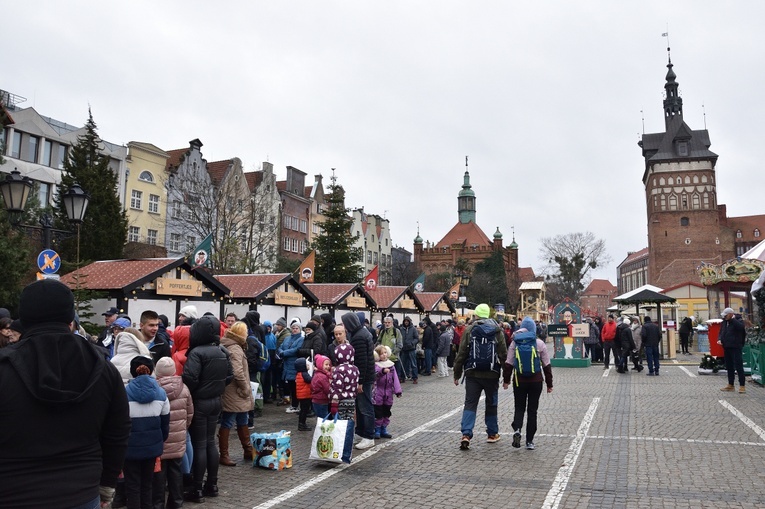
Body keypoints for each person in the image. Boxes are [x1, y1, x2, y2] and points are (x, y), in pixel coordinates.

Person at [0, 279, 131, 509]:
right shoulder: (102, 366)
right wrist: (107, 484)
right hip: (81, 491)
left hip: (13, 491)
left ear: (24, 319)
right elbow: (118, 432)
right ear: (70, 318)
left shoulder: (5, 367)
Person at [182, 315, 233, 503]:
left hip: (200, 402)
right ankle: (212, 485)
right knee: (210, 443)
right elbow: (230, 376)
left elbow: (190, 378)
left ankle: (196, 488)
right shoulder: (222, 351)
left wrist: (197, 390)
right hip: (216, 401)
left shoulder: (196, 353)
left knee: (200, 444)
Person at [453, 303, 507, 450]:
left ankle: (466, 434)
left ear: (476, 315)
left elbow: (462, 353)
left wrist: (457, 373)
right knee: (491, 404)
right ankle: (492, 434)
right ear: (489, 314)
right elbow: (503, 354)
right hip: (492, 374)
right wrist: (507, 377)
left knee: (470, 404)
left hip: (472, 373)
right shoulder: (497, 331)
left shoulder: (470, 329)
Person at [123, 356, 170, 509]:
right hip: (152, 446)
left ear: (132, 371)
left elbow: (118, 423)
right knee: (148, 484)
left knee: (132, 486)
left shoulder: (123, 393)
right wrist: (158, 441)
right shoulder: (161, 393)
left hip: (130, 447)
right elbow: (165, 424)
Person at [503, 317, 553, 450]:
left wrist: (506, 381)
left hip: (519, 381)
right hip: (536, 381)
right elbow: (547, 365)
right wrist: (549, 384)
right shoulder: (539, 343)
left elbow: (508, 363)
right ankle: (529, 441)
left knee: (519, 407)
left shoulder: (515, 343)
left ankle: (517, 429)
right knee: (532, 410)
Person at [154, 356, 194, 509]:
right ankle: (176, 502)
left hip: (160, 440)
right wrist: (183, 429)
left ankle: (158, 504)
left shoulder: (154, 389)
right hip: (178, 439)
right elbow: (190, 413)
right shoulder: (184, 388)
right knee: (176, 471)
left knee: (159, 473)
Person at [218, 321, 254, 466]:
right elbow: (237, 371)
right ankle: (224, 454)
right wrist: (245, 388)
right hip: (235, 392)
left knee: (242, 418)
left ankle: (247, 449)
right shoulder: (235, 348)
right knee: (228, 420)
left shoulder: (231, 345)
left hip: (233, 391)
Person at [341, 312, 377, 450]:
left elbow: (362, 361)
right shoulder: (362, 333)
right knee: (360, 407)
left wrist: (359, 381)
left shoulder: (359, 337)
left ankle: (368, 436)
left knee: (365, 407)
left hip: (363, 378)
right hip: (365, 377)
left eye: (344, 323)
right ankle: (361, 432)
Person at [373, 345, 402, 439]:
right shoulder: (376, 365)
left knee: (386, 411)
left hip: (388, 393)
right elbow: (375, 376)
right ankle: (377, 429)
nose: (384, 355)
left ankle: (383, 428)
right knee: (378, 412)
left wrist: (397, 390)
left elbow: (395, 379)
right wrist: (382, 372)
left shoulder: (391, 365)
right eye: (381, 354)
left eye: (385, 353)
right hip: (378, 392)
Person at [278, 319, 305, 413]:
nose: (294, 330)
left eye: (296, 328)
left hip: (294, 365)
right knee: (289, 386)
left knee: (295, 388)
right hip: (286, 365)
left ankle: (295, 405)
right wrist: (281, 352)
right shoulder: (287, 338)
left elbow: (296, 350)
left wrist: (284, 353)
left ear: (300, 329)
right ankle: (292, 404)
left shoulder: (301, 339)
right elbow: (280, 347)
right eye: (293, 328)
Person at [329, 343, 360, 424]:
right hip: (352, 400)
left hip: (341, 400)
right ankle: (349, 436)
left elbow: (337, 387)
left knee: (340, 422)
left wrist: (334, 402)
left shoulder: (339, 369)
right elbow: (356, 384)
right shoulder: (355, 369)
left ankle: (341, 436)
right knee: (350, 420)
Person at [719, 307, 747, 393]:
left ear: (731, 314)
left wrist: (733, 320)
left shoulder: (738, 321)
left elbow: (741, 328)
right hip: (726, 346)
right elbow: (721, 332)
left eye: (726, 315)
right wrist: (720, 339)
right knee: (729, 366)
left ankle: (742, 385)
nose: (724, 317)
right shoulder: (724, 322)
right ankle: (730, 384)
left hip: (735, 347)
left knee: (738, 366)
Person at [377, 316, 403, 381]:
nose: (387, 324)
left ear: (392, 323)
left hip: (394, 359)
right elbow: (378, 342)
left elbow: (400, 345)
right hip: (383, 359)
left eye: (389, 322)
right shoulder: (382, 332)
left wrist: (392, 352)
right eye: (385, 322)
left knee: (394, 378)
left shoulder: (396, 331)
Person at [295, 358, 313, 431]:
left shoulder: (299, 373)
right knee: (304, 411)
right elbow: (310, 380)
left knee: (303, 410)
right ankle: (302, 424)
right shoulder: (304, 374)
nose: (308, 365)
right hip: (305, 395)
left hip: (301, 395)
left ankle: (301, 424)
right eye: (307, 364)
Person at [311, 354, 332, 419]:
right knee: (324, 419)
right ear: (320, 365)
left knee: (322, 418)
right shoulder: (322, 377)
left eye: (329, 365)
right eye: (326, 365)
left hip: (318, 401)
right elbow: (327, 389)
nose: (328, 366)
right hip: (321, 401)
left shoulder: (319, 374)